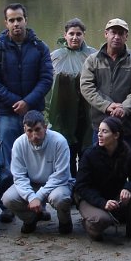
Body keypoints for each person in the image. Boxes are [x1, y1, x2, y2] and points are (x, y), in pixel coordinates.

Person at [0, 3, 54, 222]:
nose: (16, 24)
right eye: (12, 20)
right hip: (6, 114)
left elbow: (46, 79)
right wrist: (16, 101)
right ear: (6, 23)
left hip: (34, 112)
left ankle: (38, 203)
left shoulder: (40, 48)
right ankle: (8, 206)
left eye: (19, 19)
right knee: (7, 161)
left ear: (26, 20)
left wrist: (28, 102)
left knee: (38, 159)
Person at [79, 18, 131, 172]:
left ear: (126, 36)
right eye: (113, 32)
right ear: (106, 34)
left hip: (130, 125)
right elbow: (87, 87)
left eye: (121, 33)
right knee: (100, 167)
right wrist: (107, 106)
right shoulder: (93, 60)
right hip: (101, 125)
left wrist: (124, 107)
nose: (116, 37)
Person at [73, 117, 131, 241]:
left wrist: (128, 188)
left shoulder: (127, 152)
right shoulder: (89, 154)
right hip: (90, 198)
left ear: (116, 135)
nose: (99, 134)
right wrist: (102, 203)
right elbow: (81, 187)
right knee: (102, 220)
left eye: (104, 131)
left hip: (114, 196)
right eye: (99, 131)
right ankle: (89, 224)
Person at [2, 110, 74, 235]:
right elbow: (19, 176)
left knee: (60, 198)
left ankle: (65, 221)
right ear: (24, 130)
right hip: (32, 183)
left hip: (57, 184)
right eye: (29, 131)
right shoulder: (19, 144)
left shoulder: (59, 141)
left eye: (37, 130)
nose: (34, 135)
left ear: (45, 127)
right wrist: (31, 197)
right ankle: (31, 219)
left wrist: (38, 196)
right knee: (8, 198)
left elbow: (61, 175)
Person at [48, 18, 97, 178]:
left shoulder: (93, 55)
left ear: (84, 35)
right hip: (62, 113)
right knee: (66, 151)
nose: (75, 37)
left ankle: (84, 183)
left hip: (87, 113)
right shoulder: (55, 56)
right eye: (71, 34)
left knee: (86, 150)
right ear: (65, 35)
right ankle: (68, 183)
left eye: (78, 34)